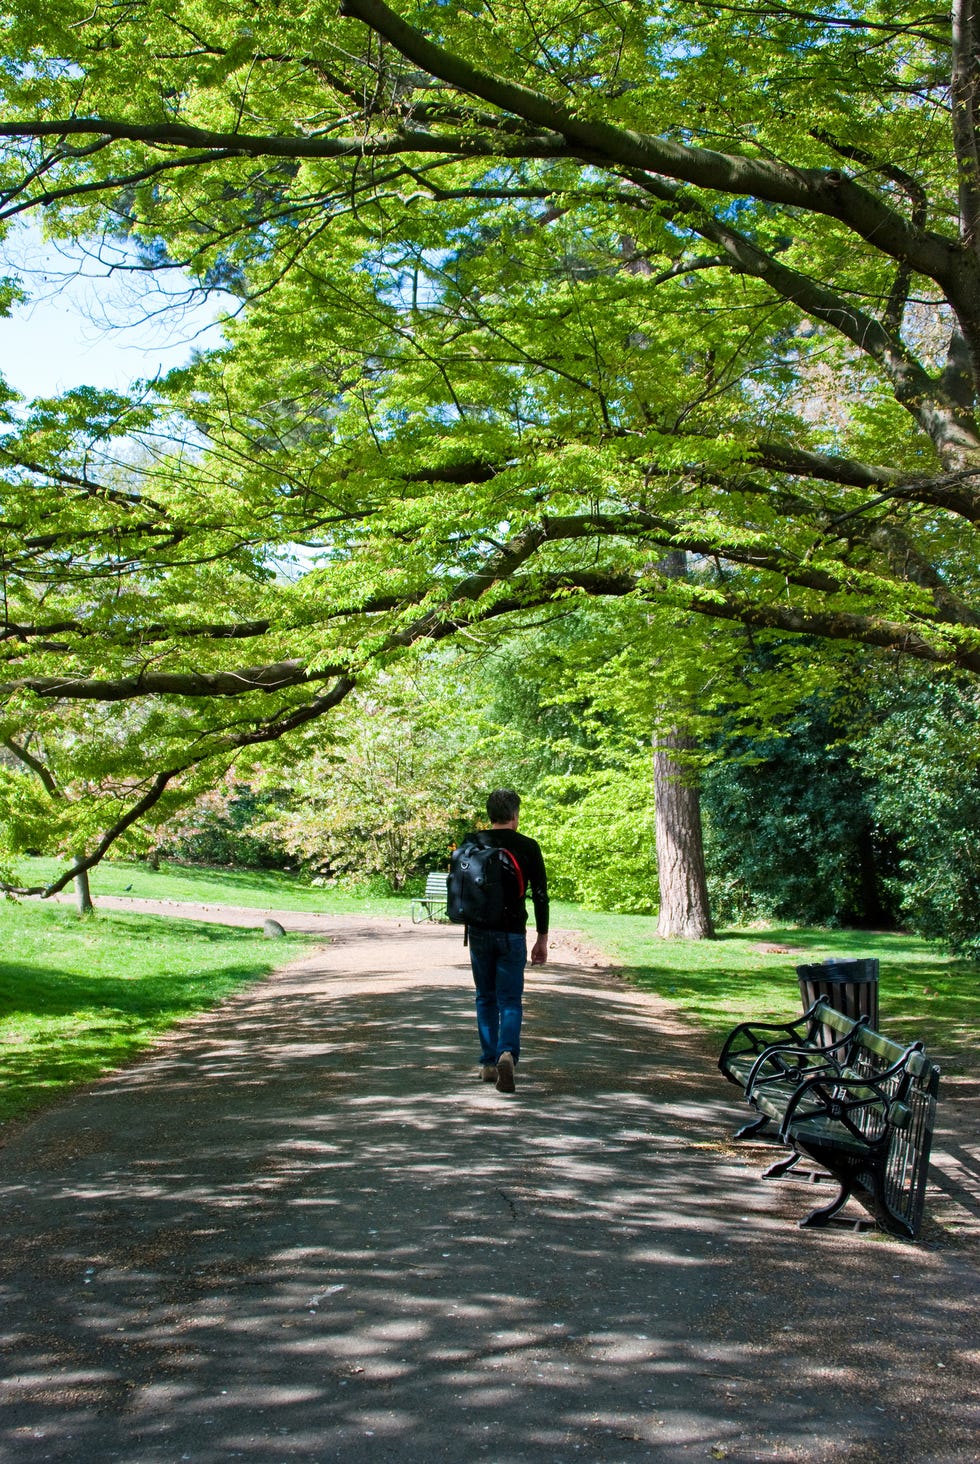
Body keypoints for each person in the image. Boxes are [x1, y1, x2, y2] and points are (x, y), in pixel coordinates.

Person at [462, 788, 548, 1094]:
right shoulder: (528, 846)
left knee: (485, 996)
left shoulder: (472, 843)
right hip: (513, 934)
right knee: (510, 999)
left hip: (479, 931)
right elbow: (540, 895)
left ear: (490, 814)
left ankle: (488, 1063)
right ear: (515, 815)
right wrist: (542, 938)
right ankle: (507, 1053)